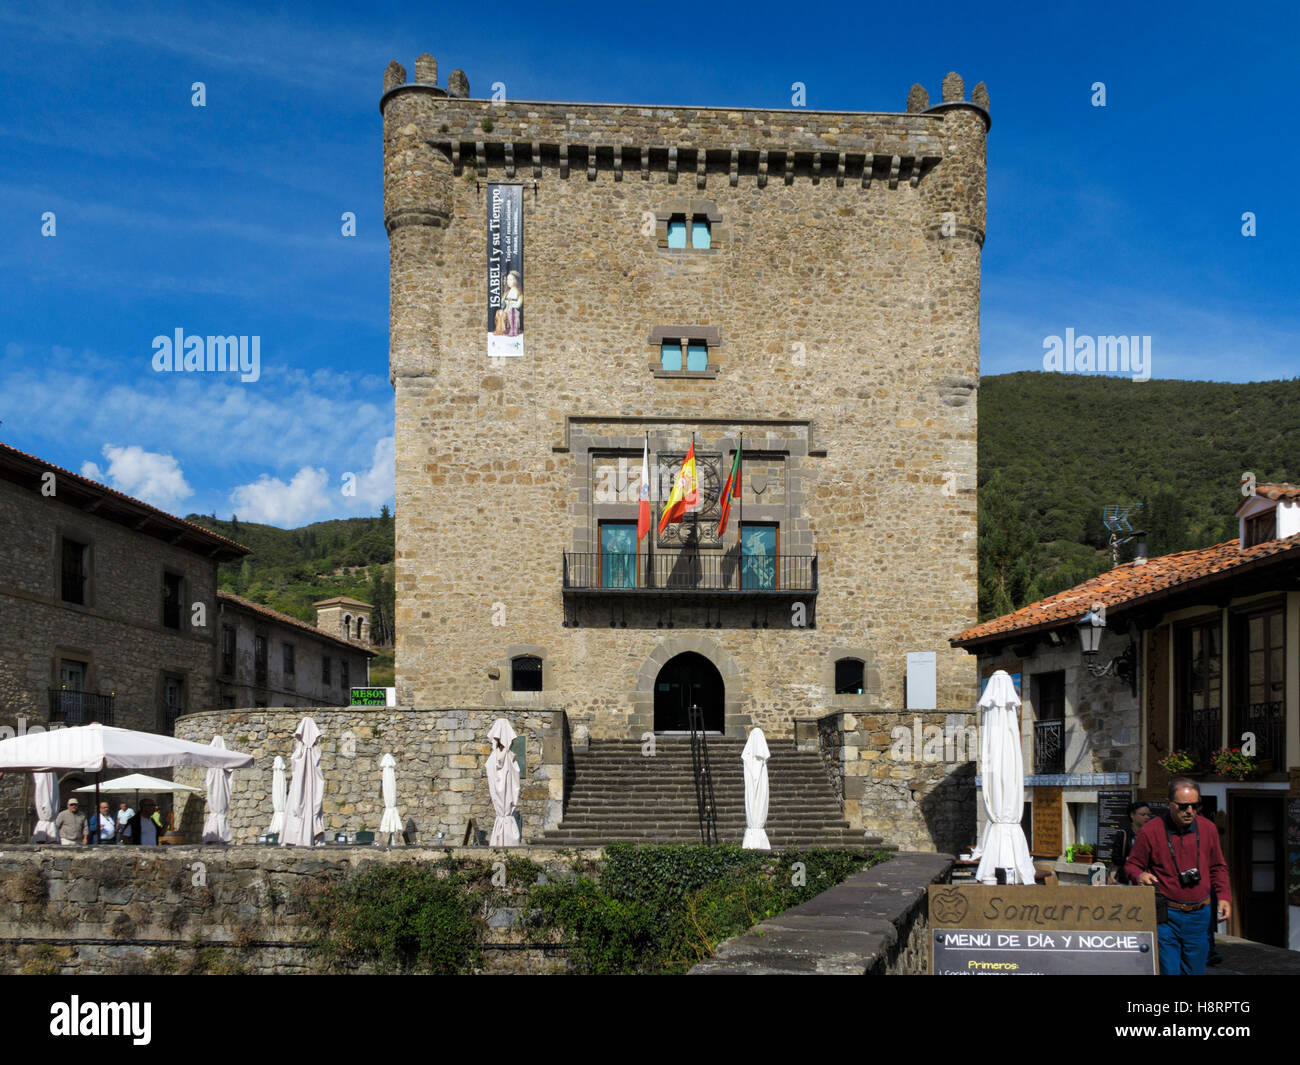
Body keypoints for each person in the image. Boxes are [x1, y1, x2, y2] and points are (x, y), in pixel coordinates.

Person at [1125, 777, 1231, 975]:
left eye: (1195, 805)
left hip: (1200, 914)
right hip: (1167, 915)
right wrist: (1139, 875)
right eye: (1183, 806)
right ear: (1169, 804)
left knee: (1195, 970)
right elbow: (1131, 865)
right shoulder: (1151, 830)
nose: (1190, 811)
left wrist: (1224, 896)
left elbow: (1218, 866)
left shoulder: (1207, 828)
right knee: (1169, 970)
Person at [1109, 800, 1153, 884]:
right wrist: (1131, 860)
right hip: (1126, 880)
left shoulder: (1151, 835)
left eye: (1148, 815)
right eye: (1143, 814)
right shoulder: (1123, 835)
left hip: (1146, 880)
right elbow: (1115, 858)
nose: (1147, 817)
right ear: (1132, 815)